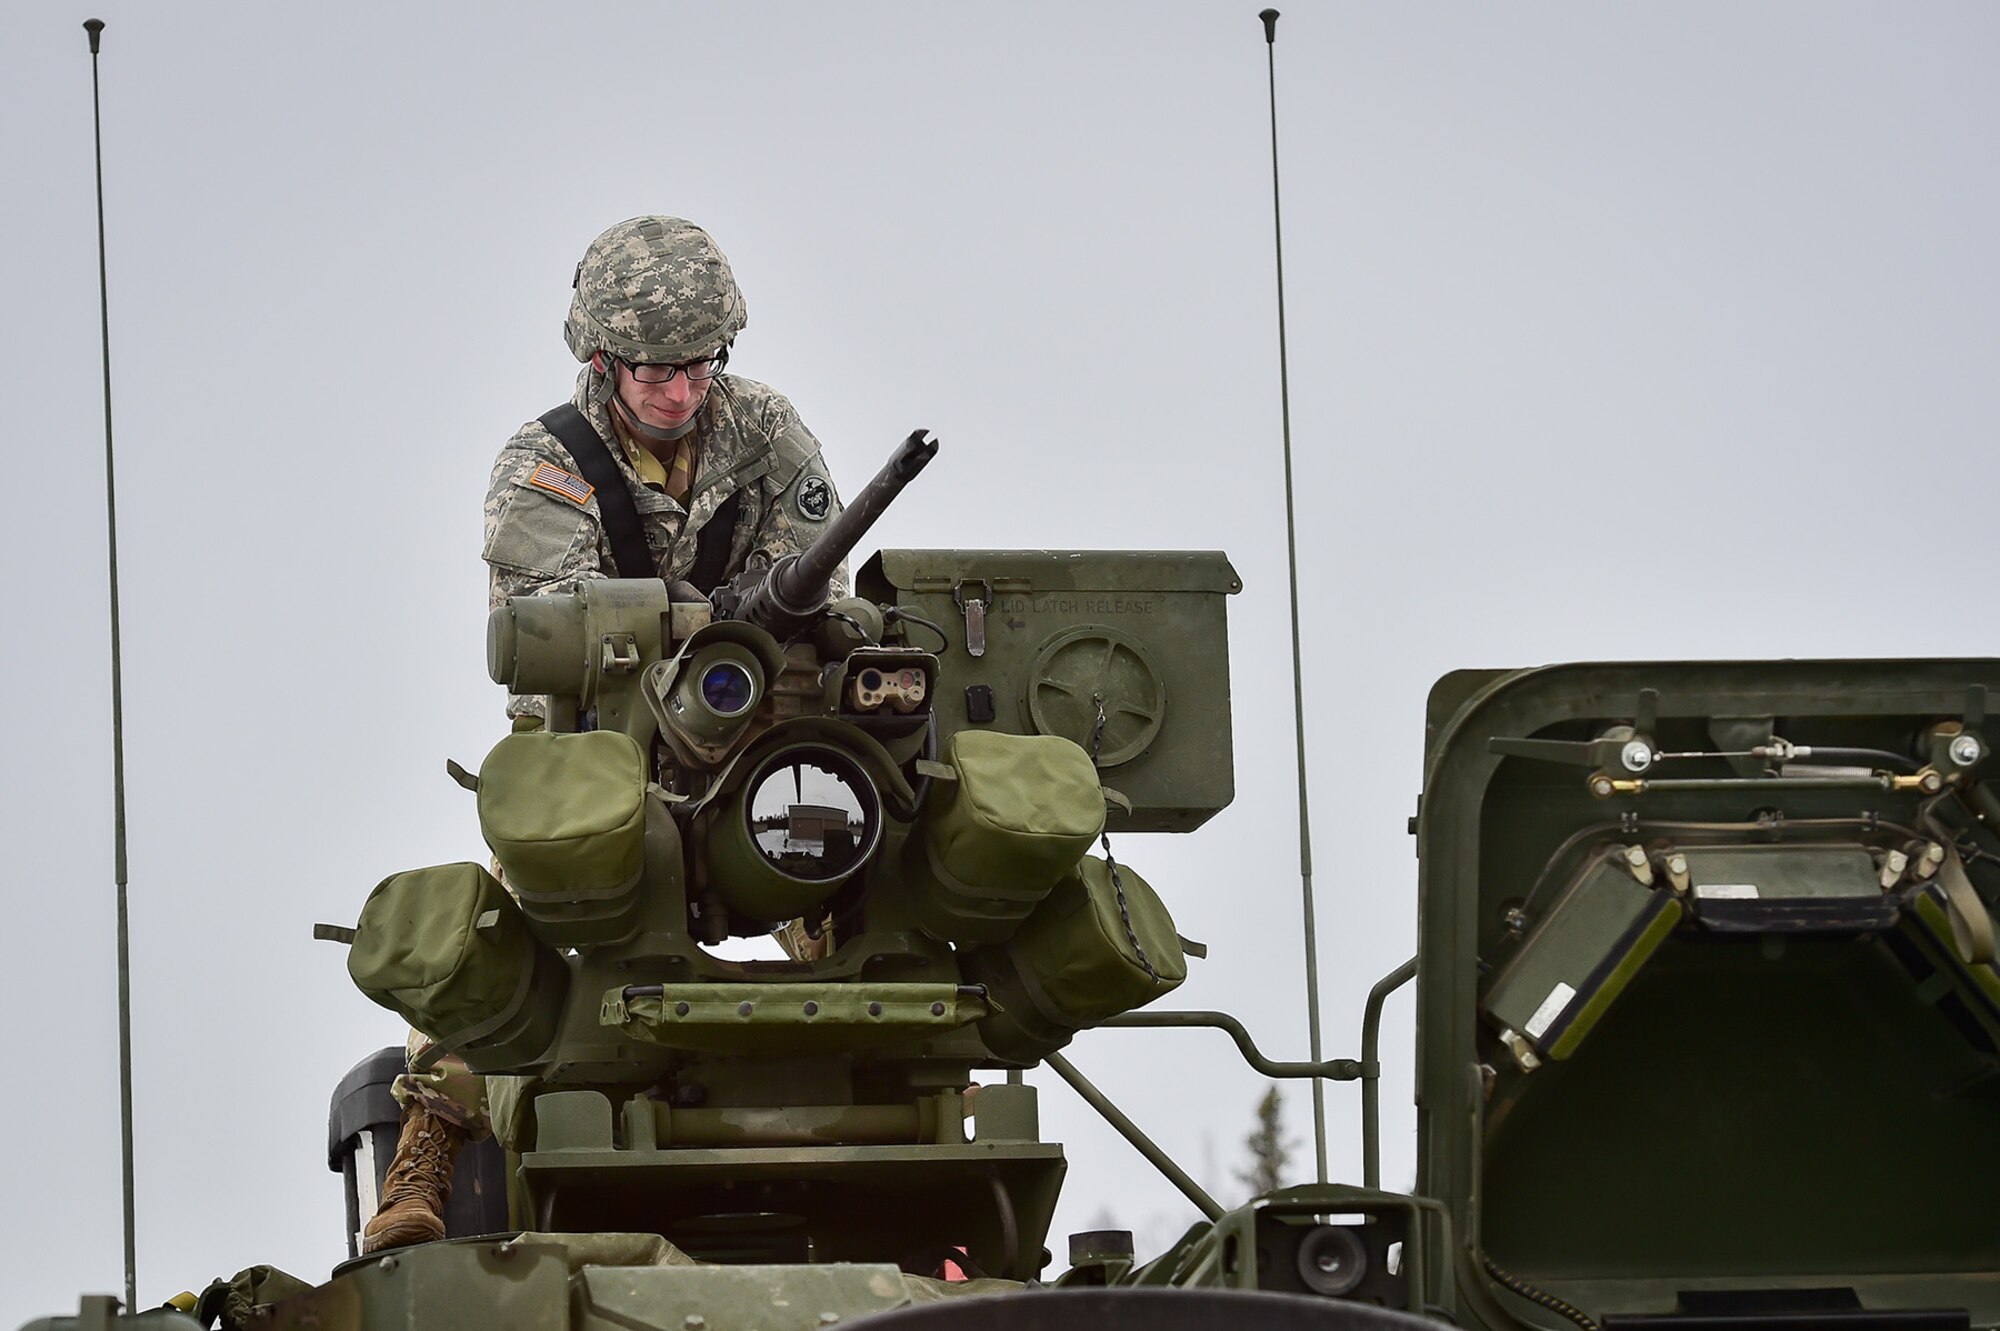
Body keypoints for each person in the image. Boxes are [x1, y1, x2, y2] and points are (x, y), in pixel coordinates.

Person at [361, 216, 848, 1253]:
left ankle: (906, 1110)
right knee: (501, 917)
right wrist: (707, 626)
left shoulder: (767, 431)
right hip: (597, 750)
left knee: (856, 872)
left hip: (754, 740)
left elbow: (822, 597)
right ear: (601, 359)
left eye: (701, 364)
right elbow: (559, 641)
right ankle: (427, 1146)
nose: (681, 391)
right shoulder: (544, 467)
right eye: (656, 370)